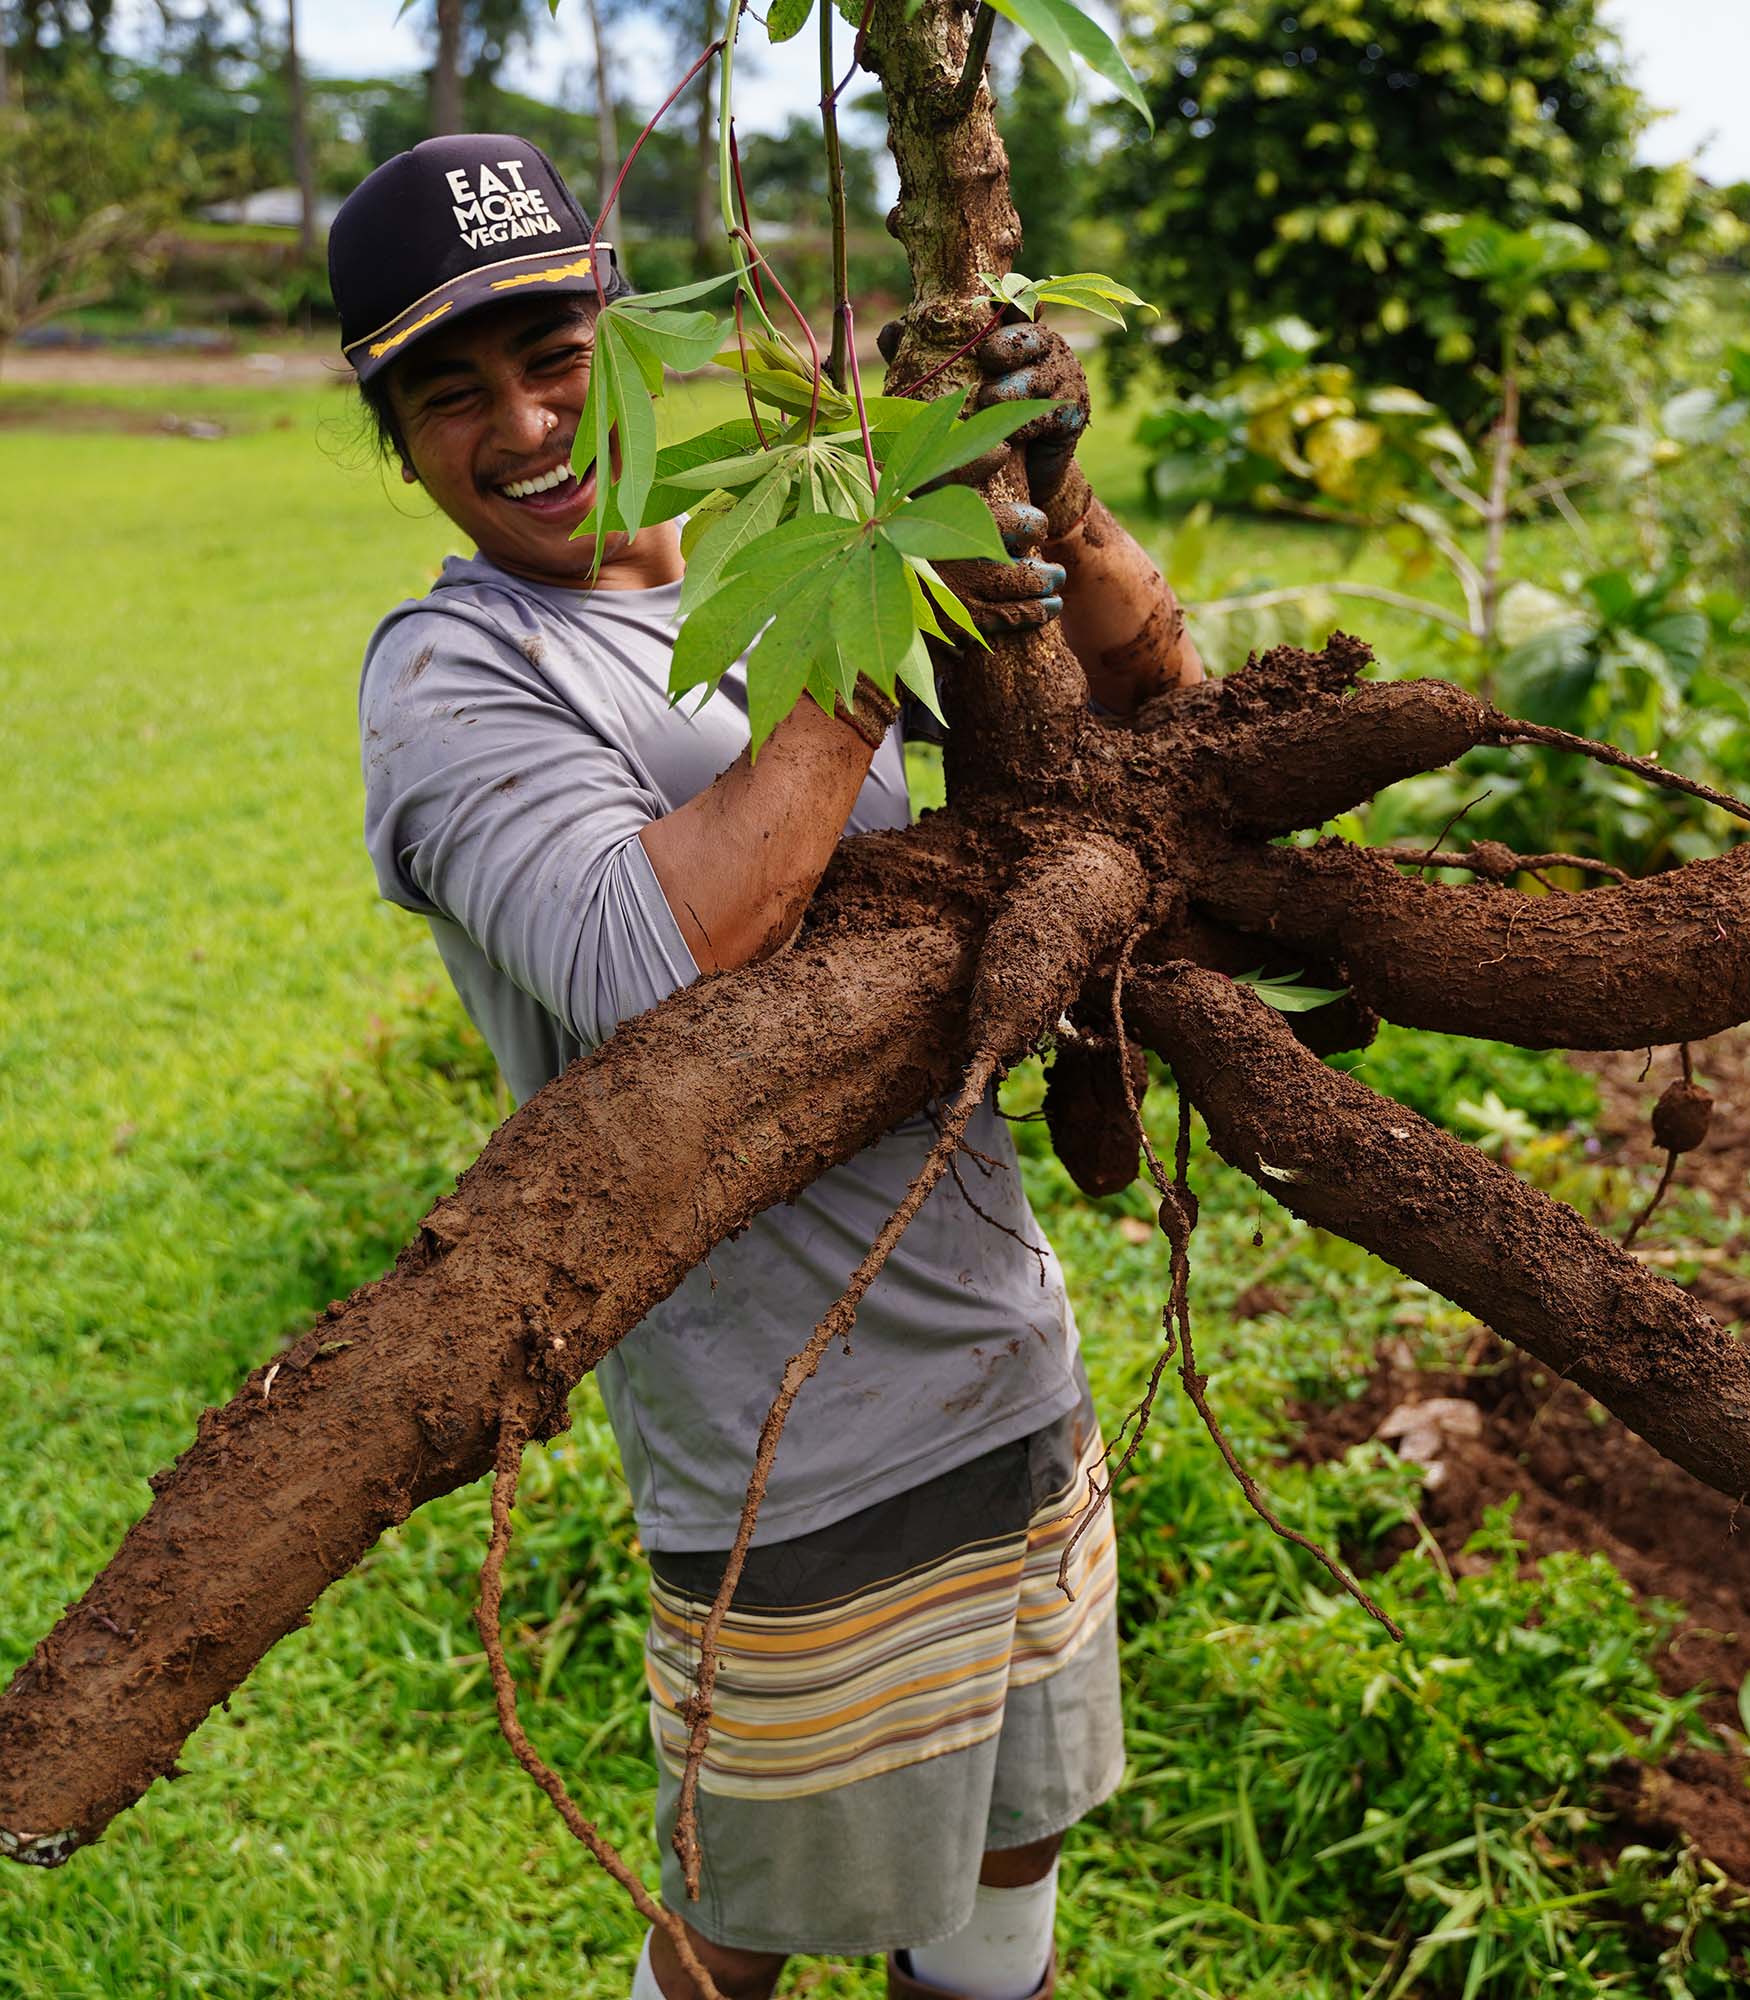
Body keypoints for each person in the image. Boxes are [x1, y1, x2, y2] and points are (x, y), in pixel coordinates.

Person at [330, 135, 1203, 2000]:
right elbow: (656, 956)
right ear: (395, 442)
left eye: (560, 350)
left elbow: (1162, 741)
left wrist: (1057, 500)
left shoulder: (789, 529)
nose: (531, 421)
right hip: (782, 1443)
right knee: (755, 1922)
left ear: (640, 334)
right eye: (450, 394)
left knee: (1012, 1830)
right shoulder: (457, 678)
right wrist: (877, 597)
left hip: (1001, 1350)